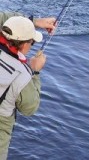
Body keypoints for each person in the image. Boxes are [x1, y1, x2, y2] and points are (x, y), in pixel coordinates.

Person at [0, 12, 56, 160]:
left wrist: (34, 22)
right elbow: (29, 108)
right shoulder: (23, 76)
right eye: (32, 42)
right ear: (25, 44)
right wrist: (35, 72)